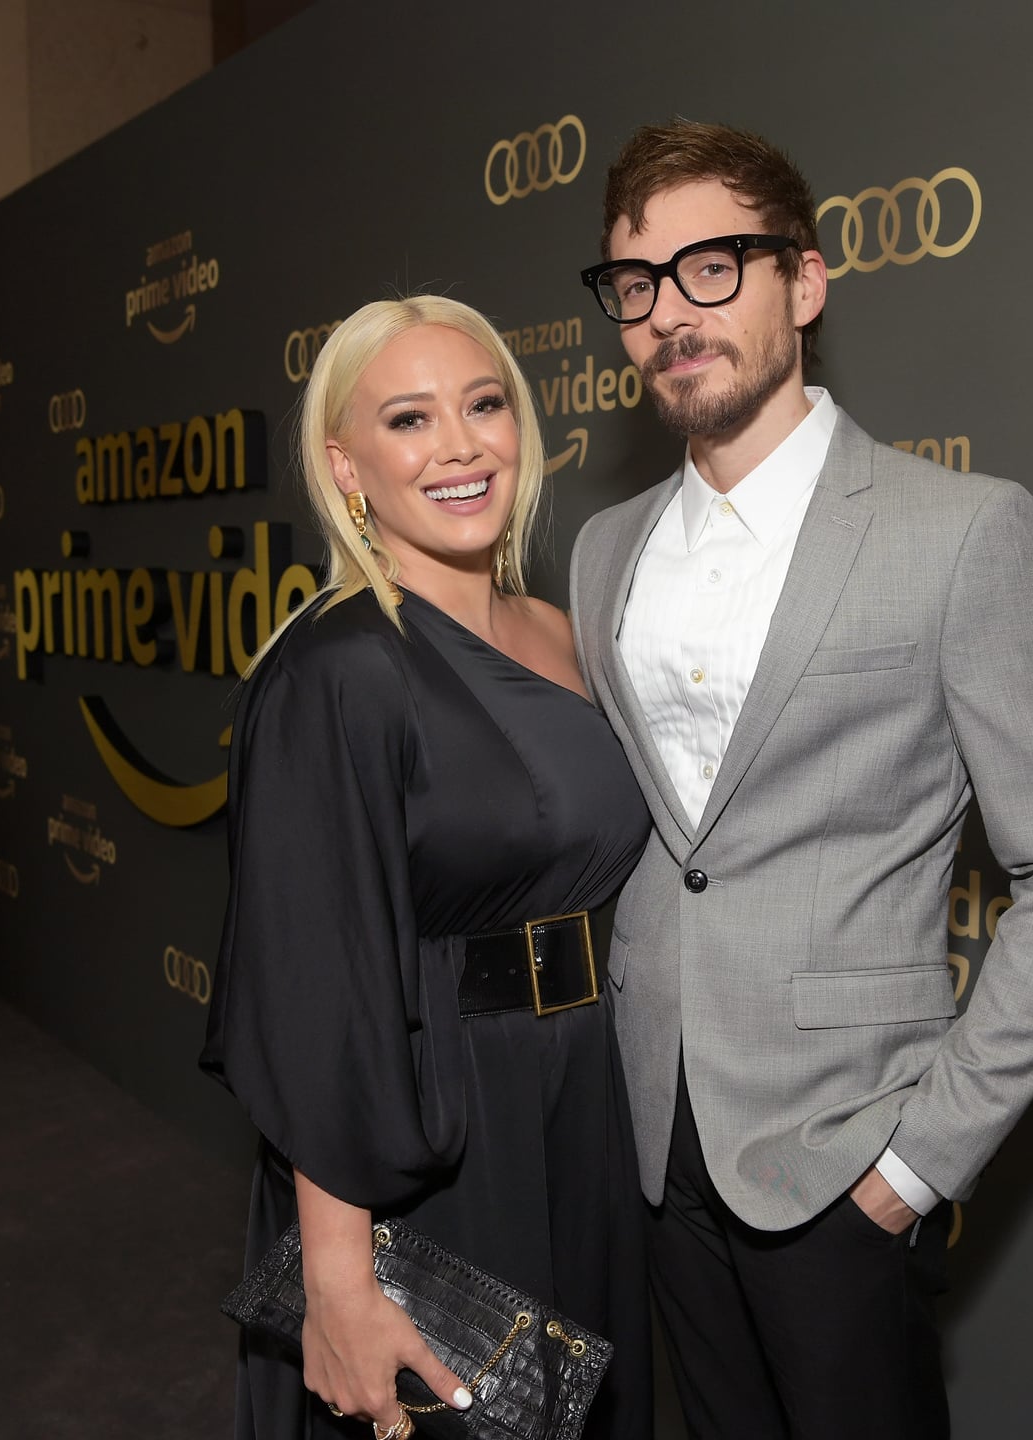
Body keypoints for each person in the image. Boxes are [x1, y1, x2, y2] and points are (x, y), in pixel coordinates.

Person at [567, 121, 1033, 1437]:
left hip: (844, 1151)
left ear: (804, 284)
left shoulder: (958, 533)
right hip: (656, 1133)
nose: (668, 316)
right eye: (637, 285)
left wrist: (920, 1160)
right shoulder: (601, 552)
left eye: (712, 268)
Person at [199, 295, 652, 1440]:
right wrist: (339, 1285)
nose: (458, 444)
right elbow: (314, 1002)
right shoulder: (337, 671)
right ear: (345, 467)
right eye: (409, 419)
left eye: (483, 404)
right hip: (441, 1124)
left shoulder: (562, 631)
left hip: (588, 1101)